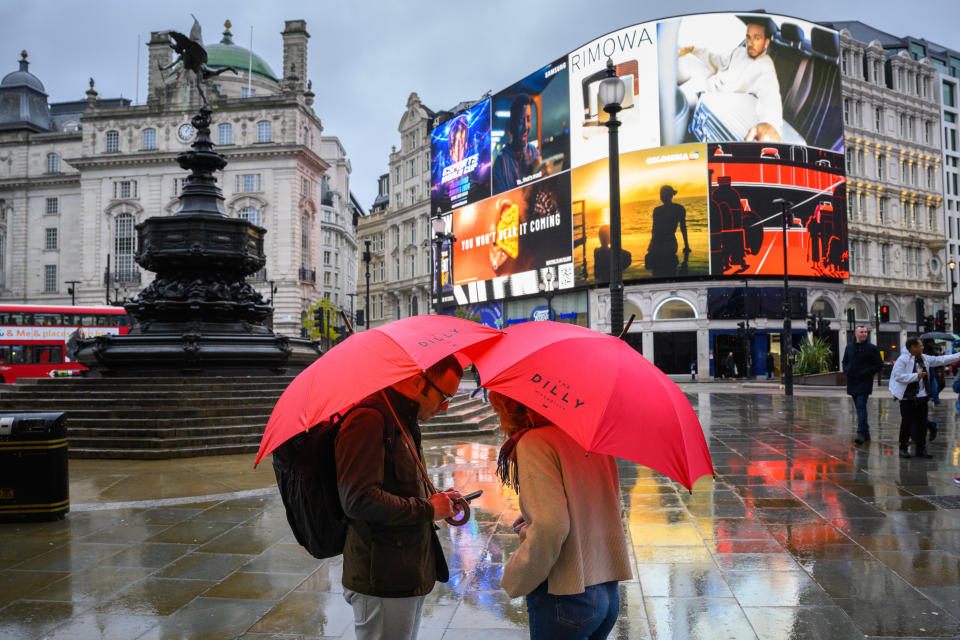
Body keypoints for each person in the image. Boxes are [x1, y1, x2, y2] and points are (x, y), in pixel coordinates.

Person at [335, 356, 464, 640]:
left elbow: (399, 486)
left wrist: (436, 498)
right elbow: (358, 499)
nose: (445, 407)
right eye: (444, 397)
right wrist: (428, 509)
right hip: (381, 577)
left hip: (405, 570)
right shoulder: (369, 419)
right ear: (418, 382)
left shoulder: (401, 418)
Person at [489, 391, 631, 640]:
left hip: (566, 595)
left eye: (498, 409)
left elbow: (550, 526)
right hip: (606, 590)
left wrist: (516, 574)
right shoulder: (588, 435)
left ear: (511, 409)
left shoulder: (534, 441)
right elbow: (605, 505)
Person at [678, 19, 783, 141]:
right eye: (748, 37)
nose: (751, 42)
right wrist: (693, 49)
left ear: (766, 42)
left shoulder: (765, 65)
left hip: (720, 99)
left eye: (757, 38)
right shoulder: (740, 51)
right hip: (709, 85)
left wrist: (771, 125)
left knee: (679, 99)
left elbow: (770, 96)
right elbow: (718, 61)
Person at [888, 337, 960, 459]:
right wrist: (916, 376)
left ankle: (921, 449)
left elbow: (941, 359)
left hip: (922, 396)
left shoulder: (924, 358)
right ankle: (903, 448)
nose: (922, 347)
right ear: (912, 347)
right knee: (907, 423)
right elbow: (898, 376)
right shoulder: (902, 359)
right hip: (907, 397)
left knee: (921, 423)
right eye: (920, 345)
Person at [493, 94, 547, 193]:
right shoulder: (500, 163)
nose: (526, 127)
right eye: (521, 121)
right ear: (512, 124)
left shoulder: (534, 152)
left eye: (528, 120)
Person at [841, 326, 883, 445]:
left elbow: (879, 364)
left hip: (864, 382)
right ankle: (866, 431)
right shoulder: (849, 347)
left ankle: (860, 433)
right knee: (859, 408)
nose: (864, 334)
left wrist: (866, 372)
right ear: (856, 333)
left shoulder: (872, 348)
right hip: (852, 381)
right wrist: (846, 371)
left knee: (861, 406)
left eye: (865, 332)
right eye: (861, 332)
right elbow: (844, 361)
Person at [644, 185, 690, 277]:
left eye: (662, 194)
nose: (661, 196)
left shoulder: (658, 210)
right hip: (668, 244)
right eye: (661, 194)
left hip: (661, 244)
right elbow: (683, 228)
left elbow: (655, 231)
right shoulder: (679, 209)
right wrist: (686, 246)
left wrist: (651, 247)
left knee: (656, 270)